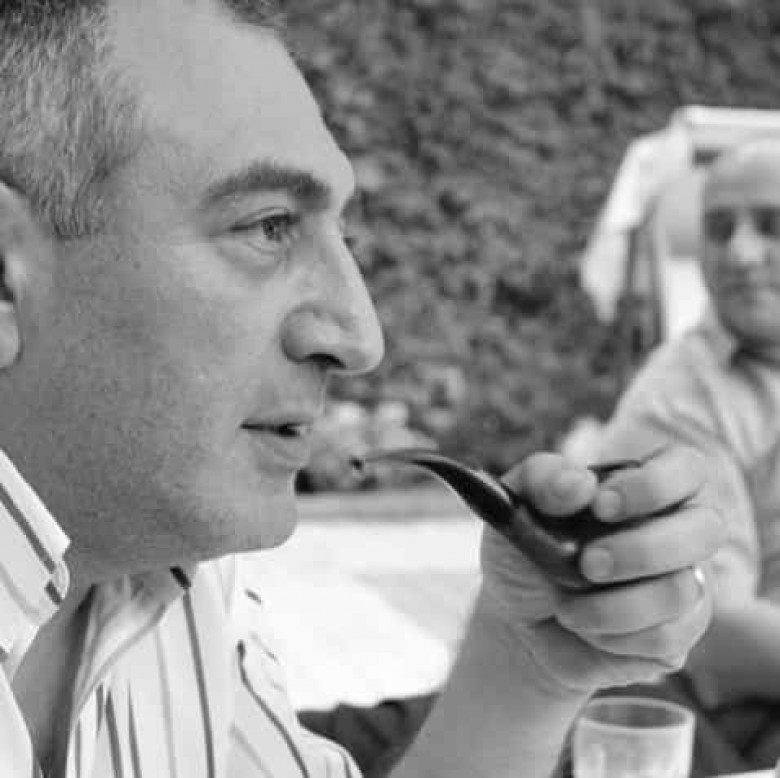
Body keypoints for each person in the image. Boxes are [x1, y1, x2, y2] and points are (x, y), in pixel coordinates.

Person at [0, 1, 724, 777]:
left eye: (341, 235)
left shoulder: (179, 585)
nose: (360, 338)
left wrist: (527, 671)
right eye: (269, 225)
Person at [597, 137, 780, 773]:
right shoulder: (678, 398)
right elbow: (716, 630)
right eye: (719, 229)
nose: (740, 253)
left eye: (771, 225)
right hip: (733, 720)